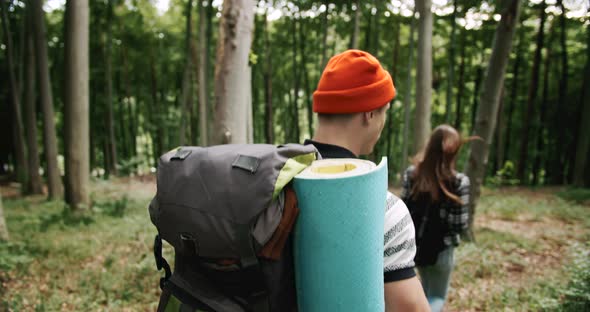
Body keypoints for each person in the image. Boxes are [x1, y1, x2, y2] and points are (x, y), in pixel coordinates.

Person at [305, 49, 430, 311]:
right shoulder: (382, 208)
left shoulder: (273, 182)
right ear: (369, 113)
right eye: (383, 112)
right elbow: (410, 308)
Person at [400, 124, 472, 312]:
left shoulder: (411, 174)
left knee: (424, 293)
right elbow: (459, 225)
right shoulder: (459, 182)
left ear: (430, 145)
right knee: (437, 297)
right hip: (443, 250)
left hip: (418, 246)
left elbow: (403, 210)